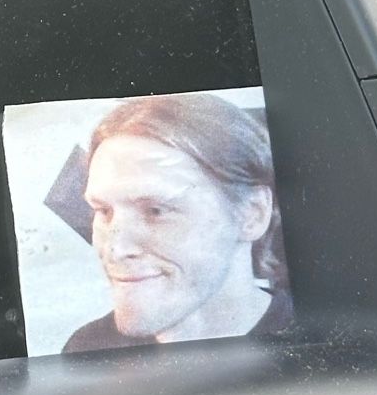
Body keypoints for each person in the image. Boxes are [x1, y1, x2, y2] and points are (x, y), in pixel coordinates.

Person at [63, 91, 290, 354]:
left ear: (253, 214)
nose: (116, 249)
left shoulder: (316, 337)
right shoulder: (88, 348)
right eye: (103, 211)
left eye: (156, 211)